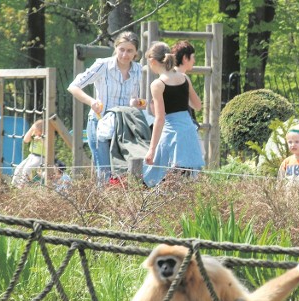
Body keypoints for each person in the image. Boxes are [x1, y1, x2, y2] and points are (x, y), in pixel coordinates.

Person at [68, 31, 143, 182]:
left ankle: (122, 204)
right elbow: (74, 86)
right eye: (121, 49)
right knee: (105, 170)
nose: (124, 54)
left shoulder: (139, 70)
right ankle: (102, 202)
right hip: (100, 122)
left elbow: (139, 99)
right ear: (116, 48)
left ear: (136, 53)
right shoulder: (103, 65)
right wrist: (92, 102)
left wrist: (137, 102)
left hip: (124, 125)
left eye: (129, 51)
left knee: (125, 171)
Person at [142, 42, 205, 187]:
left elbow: (160, 118)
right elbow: (198, 105)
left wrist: (151, 150)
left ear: (152, 61)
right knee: (188, 179)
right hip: (188, 131)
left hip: (171, 132)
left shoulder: (157, 84)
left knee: (157, 176)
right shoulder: (184, 78)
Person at [12, 119, 45, 187]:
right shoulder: (33, 134)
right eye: (34, 131)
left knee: (27, 169)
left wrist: (41, 139)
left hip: (40, 157)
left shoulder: (45, 137)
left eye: (36, 131)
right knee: (19, 168)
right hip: (31, 156)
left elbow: (47, 146)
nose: (35, 133)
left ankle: (23, 186)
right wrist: (32, 128)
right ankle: (14, 185)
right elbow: (26, 140)